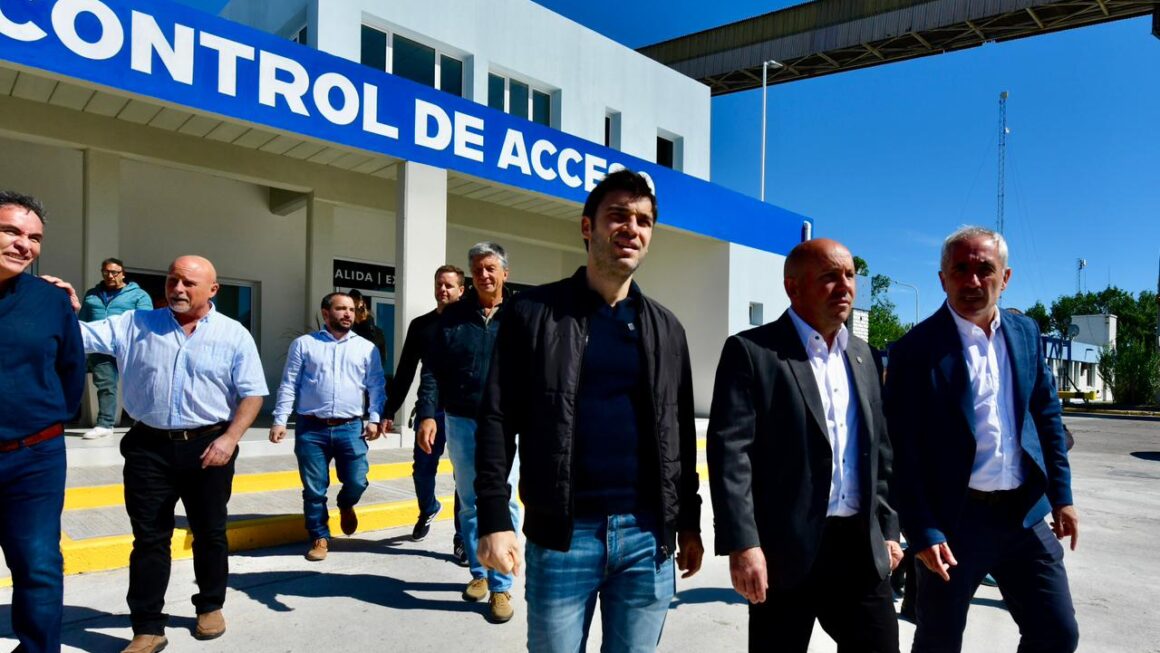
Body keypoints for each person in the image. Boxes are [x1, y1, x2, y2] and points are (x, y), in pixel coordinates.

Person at [475, 169, 705, 651]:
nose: (631, 229)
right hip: (563, 535)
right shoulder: (533, 313)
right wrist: (495, 518)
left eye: (643, 221)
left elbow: (679, 434)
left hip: (647, 538)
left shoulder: (667, 328)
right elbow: (497, 419)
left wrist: (688, 523)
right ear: (587, 227)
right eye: (617, 216)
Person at [885, 226, 1079, 653]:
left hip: (1025, 516)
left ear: (1005, 277)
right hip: (954, 526)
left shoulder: (1025, 332)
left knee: (1057, 633)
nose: (972, 281)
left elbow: (1046, 416)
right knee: (938, 641)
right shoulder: (915, 350)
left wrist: (1062, 496)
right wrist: (923, 531)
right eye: (960, 270)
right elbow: (902, 452)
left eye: (984, 269)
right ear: (943, 279)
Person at [706, 238, 902, 653]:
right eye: (829, 277)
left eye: (849, 276)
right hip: (784, 553)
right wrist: (744, 544)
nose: (845, 286)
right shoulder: (753, 352)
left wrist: (887, 528)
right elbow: (731, 457)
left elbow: (880, 452)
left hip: (859, 553)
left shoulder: (865, 356)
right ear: (793, 287)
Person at [65, 255, 268, 653]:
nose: (178, 288)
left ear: (213, 290)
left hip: (209, 448)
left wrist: (229, 439)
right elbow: (80, 336)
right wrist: (63, 306)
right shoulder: (135, 323)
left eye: (189, 283)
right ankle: (148, 626)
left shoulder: (234, 334)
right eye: (173, 280)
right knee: (149, 539)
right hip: (148, 447)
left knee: (209, 534)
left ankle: (209, 605)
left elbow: (252, 394)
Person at [416, 242, 521, 623]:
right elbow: (432, 370)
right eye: (477, 268)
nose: (484, 275)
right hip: (460, 419)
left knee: (505, 500)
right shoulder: (453, 317)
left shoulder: (521, 314)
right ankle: (480, 572)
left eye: (490, 268)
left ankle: (502, 586)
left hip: (507, 422)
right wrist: (427, 413)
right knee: (469, 500)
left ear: (504, 273)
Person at [0, 191, 85, 653]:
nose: (23, 245)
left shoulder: (50, 301)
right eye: (11, 231)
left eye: (34, 238)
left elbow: (72, 372)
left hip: (34, 456)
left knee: (37, 565)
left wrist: (44, 423)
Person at [269, 292, 385, 561]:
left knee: (357, 479)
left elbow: (376, 385)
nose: (348, 314)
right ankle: (319, 536)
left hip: (351, 427)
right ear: (325, 313)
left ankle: (346, 503)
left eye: (352, 310)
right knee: (314, 489)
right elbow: (289, 383)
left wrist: (375, 417)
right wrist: (279, 419)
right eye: (341, 309)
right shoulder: (304, 344)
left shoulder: (366, 348)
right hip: (312, 428)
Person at [383, 265, 466, 552]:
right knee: (422, 470)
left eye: (449, 286)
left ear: (461, 290)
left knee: (463, 477)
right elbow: (405, 369)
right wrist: (389, 409)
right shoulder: (421, 325)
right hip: (430, 411)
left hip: (463, 412)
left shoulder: (470, 324)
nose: (442, 290)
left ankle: (461, 538)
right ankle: (428, 507)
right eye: (439, 284)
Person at [78, 257, 153, 439]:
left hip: (129, 346)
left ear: (123, 273)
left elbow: (146, 320)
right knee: (105, 384)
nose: (110, 275)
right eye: (106, 272)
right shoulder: (92, 295)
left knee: (139, 383)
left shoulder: (138, 295)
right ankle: (105, 424)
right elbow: (82, 321)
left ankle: (144, 421)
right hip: (99, 346)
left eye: (114, 272)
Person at [349, 289, 388, 372]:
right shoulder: (344, 330)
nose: (357, 310)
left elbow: (380, 359)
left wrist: (366, 320)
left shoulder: (377, 332)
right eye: (353, 308)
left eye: (359, 307)